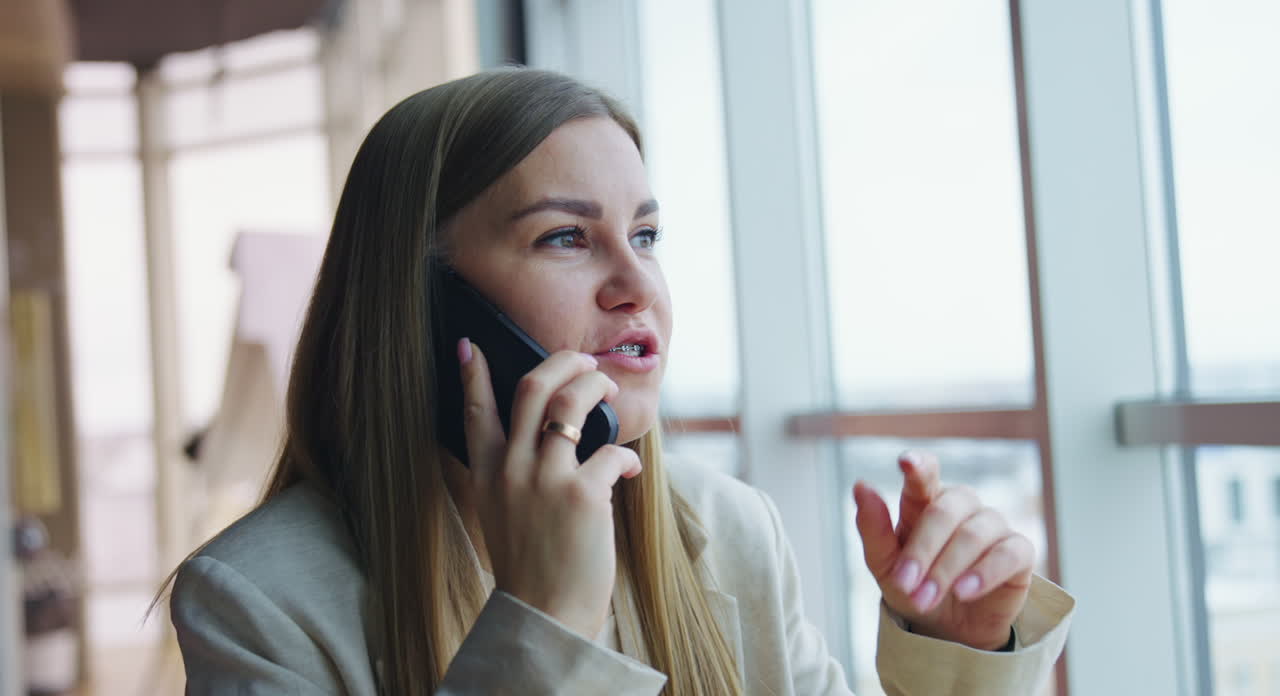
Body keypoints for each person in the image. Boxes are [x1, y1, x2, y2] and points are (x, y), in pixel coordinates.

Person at [167, 67, 1073, 695]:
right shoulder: (259, 601)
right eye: (566, 237)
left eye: (644, 236)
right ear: (429, 305)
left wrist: (961, 656)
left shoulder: (728, 531)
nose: (638, 285)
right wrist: (544, 627)